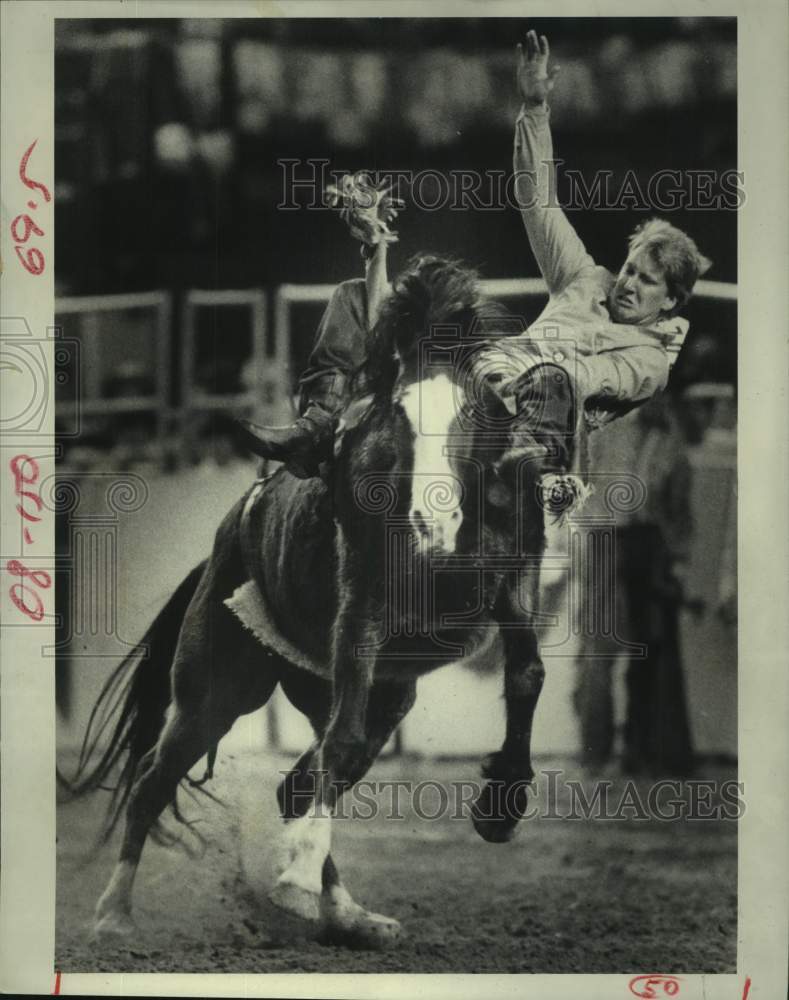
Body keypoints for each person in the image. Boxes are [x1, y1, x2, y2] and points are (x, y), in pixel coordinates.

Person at [240, 31, 711, 496]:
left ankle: (535, 491)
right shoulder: (587, 280)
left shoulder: (651, 360)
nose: (627, 283)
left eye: (646, 281)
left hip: (533, 415)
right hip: (483, 371)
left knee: (553, 379)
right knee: (356, 296)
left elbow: (589, 378)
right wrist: (534, 109)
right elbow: (538, 201)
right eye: (629, 268)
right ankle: (316, 426)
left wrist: (515, 374)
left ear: (670, 299)